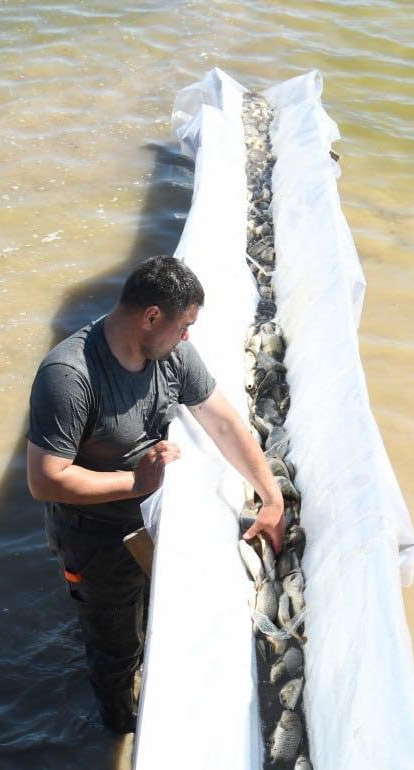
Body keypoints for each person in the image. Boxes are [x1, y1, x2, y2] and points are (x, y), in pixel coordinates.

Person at [26, 255, 285, 734]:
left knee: (149, 615)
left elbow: (223, 423)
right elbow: (44, 479)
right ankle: (119, 727)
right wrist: (135, 484)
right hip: (95, 537)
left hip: (150, 517)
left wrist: (271, 497)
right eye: (183, 326)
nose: (187, 336)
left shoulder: (172, 356)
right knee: (114, 648)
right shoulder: (69, 375)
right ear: (150, 316)